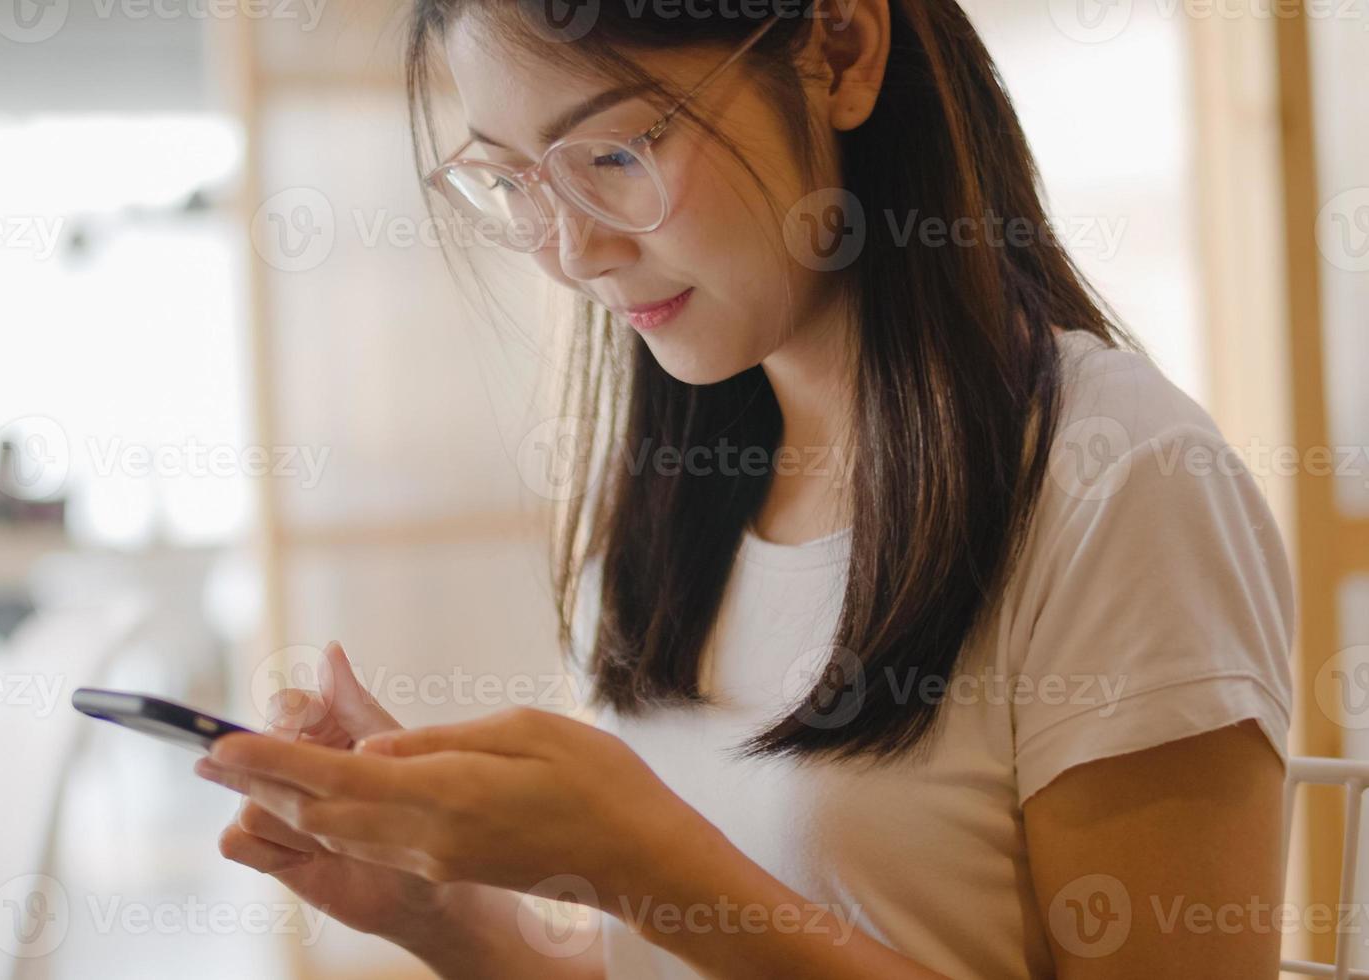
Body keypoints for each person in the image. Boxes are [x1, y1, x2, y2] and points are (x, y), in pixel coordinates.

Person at [195, 4, 1294, 977]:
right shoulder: (676, 499)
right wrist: (444, 916)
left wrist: (635, 855)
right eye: (509, 178)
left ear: (841, 48)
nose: (572, 250)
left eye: (615, 152)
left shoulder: (1113, 478)